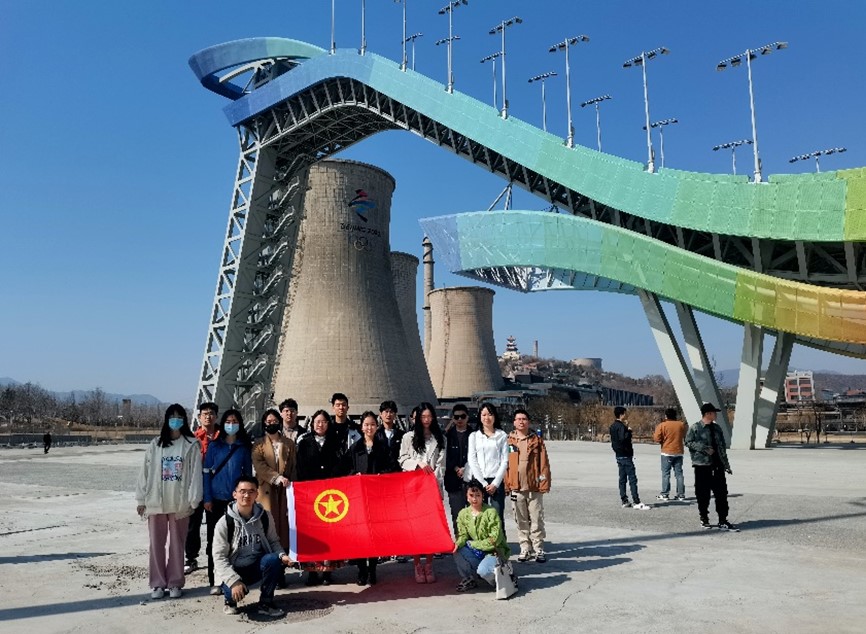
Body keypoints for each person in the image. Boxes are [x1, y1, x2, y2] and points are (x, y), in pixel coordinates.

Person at [135, 404, 202, 600]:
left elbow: (195, 475)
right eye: (172, 417)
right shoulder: (155, 445)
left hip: (180, 504)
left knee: (177, 545)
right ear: (166, 420)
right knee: (156, 544)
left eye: (179, 417)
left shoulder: (191, 445)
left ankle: (175, 582)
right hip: (156, 502)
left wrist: (194, 499)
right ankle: (157, 583)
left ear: (184, 420)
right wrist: (141, 499)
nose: (176, 420)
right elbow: (144, 473)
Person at [212, 475, 291, 618]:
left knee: (274, 560)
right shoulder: (224, 523)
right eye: (242, 491)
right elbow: (219, 558)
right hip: (233, 569)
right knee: (233, 591)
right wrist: (234, 581)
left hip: (255, 565)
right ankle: (230, 601)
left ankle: (266, 603)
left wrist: (282, 555)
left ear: (257, 494)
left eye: (251, 491)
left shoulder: (265, 516)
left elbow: (273, 541)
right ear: (234, 494)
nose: (246, 495)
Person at [203, 409, 253, 593]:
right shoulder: (214, 446)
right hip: (216, 500)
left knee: (235, 541)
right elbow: (206, 473)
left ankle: (233, 579)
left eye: (235, 421)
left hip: (235, 501)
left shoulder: (243, 448)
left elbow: (248, 475)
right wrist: (207, 497)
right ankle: (215, 580)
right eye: (228, 421)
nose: (231, 425)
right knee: (215, 541)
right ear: (222, 424)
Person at [344, 411, 393, 585]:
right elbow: (345, 468)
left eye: (372, 424)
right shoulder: (355, 448)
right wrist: (354, 475)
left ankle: (372, 569)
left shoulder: (383, 447)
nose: (369, 428)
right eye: (366, 424)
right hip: (358, 498)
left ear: (377, 426)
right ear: (361, 427)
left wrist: (381, 476)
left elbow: (391, 467)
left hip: (376, 497)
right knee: (359, 535)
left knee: (374, 534)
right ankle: (361, 570)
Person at [399, 401, 446, 584]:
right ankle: (417, 564)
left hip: (431, 489)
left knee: (431, 529)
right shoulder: (408, 437)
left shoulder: (440, 438)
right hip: (413, 489)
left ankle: (429, 564)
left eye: (429, 416)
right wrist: (418, 463)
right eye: (423, 417)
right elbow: (402, 459)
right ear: (417, 418)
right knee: (416, 529)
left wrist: (432, 480)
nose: (426, 420)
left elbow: (441, 465)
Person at [295, 409, 342, 585]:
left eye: (323, 421)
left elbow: (340, 465)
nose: (320, 425)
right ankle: (312, 571)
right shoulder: (304, 442)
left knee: (329, 533)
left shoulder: (335, 442)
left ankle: (328, 571)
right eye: (317, 421)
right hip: (311, 493)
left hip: (330, 494)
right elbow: (300, 467)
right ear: (312, 423)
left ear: (328, 424)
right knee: (312, 533)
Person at [504, 409, 551, 563]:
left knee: (537, 519)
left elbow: (543, 464)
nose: (521, 421)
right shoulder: (509, 441)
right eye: (518, 419)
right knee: (521, 520)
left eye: (524, 419)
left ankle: (538, 548)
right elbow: (505, 465)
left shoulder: (537, 441)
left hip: (533, 488)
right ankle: (525, 547)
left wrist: (542, 482)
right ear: (514, 422)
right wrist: (507, 483)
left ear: (528, 422)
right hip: (516, 488)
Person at [686, 403, 738, 531]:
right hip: (702, 466)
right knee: (703, 494)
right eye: (714, 412)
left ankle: (723, 520)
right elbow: (688, 442)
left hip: (718, 466)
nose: (716, 415)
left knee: (722, 494)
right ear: (708, 414)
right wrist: (703, 448)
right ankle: (704, 518)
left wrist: (726, 465)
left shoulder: (717, 428)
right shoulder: (695, 428)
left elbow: (722, 448)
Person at [452, 480, 511, 592]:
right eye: (471, 495)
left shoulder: (491, 512)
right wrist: (458, 544)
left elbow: (494, 540)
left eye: (478, 495)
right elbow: (463, 535)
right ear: (466, 496)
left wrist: (473, 544)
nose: (474, 499)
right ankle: (469, 579)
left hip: (493, 552)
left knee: (483, 571)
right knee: (457, 550)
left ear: (483, 496)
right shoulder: (463, 513)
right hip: (477, 551)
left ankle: (502, 578)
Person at [252, 408, 297, 553]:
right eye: (268, 421)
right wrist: (276, 478)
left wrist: (292, 486)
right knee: (268, 521)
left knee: (284, 522)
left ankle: (285, 553)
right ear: (264, 423)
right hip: (266, 489)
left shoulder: (289, 443)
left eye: (275, 421)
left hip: (285, 488)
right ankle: (267, 553)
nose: (272, 424)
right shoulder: (258, 444)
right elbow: (259, 466)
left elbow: (293, 466)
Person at [184, 401, 219, 575]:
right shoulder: (192, 439)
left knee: (216, 526)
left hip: (216, 488)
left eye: (211, 413)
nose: (208, 417)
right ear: (199, 417)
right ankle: (191, 558)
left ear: (216, 417)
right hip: (197, 487)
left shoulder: (222, 437)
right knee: (192, 525)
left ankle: (215, 558)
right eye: (205, 414)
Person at [467, 402, 509, 530]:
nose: (487, 418)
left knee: (497, 514)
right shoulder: (474, 436)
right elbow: (472, 460)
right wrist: (483, 483)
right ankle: (482, 540)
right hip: (479, 481)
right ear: (480, 417)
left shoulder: (502, 435)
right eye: (484, 414)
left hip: (496, 480)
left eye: (490, 414)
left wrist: (495, 483)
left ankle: (499, 541)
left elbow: (505, 460)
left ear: (495, 416)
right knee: (480, 514)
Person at [610, 406, 651, 510]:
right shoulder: (621, 426)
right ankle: (636, 501)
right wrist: (629, 431)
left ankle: (624, 500)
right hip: (626, 455)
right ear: (621, 414)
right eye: (625, 413)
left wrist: (626, 427)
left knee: (622, 479)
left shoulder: (613, 426)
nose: (626, 415)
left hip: (618, 455)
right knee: (632, 478)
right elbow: (623, 438)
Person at [444, 403, 473, 532]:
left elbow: (477, 455)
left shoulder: (474, 435)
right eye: (456, 417)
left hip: (471, 480)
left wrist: (466, 468)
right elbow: (445, 456)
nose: (460, 419)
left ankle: (473, 540)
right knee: (457, 514)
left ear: (467, 417)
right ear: (453, 419)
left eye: (463, 416)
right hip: (453, 480)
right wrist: (456, 468)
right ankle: (460, 539)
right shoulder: (447, 436)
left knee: (473, 513)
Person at [653, 407, 689, 502]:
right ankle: (681, 494)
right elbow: (685, 436)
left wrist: (663, 441)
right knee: (679, 474)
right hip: (678, 452)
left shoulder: (662, 425)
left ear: (666, 416)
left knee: (666, 474)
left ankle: (665, 494)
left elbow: (656, 438)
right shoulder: (681, 425)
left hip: (667, 452)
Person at [329, 392, 361, 463]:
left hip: (351, 465)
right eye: (338, 405)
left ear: (347, 408)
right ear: (333, 408)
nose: (341, 407)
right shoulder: (328, 428)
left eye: (343, 405)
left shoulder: (355, 428)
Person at [375, 400, 405, 473]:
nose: (388, 414)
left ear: (395, 415)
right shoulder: (375, 435)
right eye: (386, 411)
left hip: (397, 472)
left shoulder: (402, 435)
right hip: (380, 473)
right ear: (380, 414)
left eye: (391, 412)